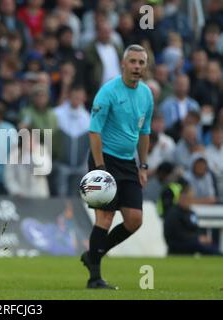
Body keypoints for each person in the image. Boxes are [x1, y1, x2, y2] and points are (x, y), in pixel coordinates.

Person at [81, 44, 154, 289]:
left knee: (135, 220)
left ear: (145, 66)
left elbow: (144, 132)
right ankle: (94, 278)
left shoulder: (146, 94)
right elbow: (94, 131)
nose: (136, 67)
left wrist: (143, 165)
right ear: (123, 64)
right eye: (132, 61)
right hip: (104, 159)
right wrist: (100, 169)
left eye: (141, 63)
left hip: (128, 163)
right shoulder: (108, 91)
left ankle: (93, 255)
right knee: (105, 217)